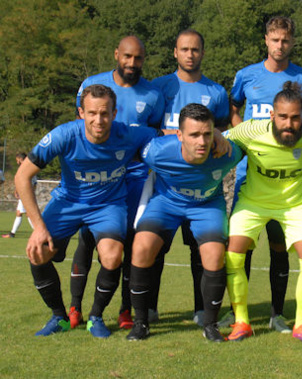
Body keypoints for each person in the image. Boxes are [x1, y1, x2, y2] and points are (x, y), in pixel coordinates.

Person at [15, 84, 157, 338]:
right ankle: (58, 316)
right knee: (38, 252)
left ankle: (96, 317)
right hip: (68, 202)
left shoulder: (130, 135)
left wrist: (215, 134)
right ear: (81, 112)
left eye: (104, 113)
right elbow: (22, 176)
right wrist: (38, 228)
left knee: (112, 256)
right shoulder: (64, 135)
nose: (98, 120)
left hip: (108, 205)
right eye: (92, 113)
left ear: (115, 113)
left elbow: (172, 134)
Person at [225, 16, 302, 333]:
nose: (280, 45)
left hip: (290, 179)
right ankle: (237, 313)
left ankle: (277, 313)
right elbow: (232, 108)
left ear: (292, 42)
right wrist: (242, 136)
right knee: (243, 246)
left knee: (281, 246)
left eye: (285, 40)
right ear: (266, 40)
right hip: (249, 173)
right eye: (274, 39)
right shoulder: (246, 75)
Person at [224, 81, 302, 344]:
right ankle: (241, 321)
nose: (289, 124)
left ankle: (301, 325)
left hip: (294, 206)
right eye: (283, 117)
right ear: (272, 116)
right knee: (232, 254)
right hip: (252, 202)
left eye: (296, 118)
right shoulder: (250, 130)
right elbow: (219, 144)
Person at [69, 35, 164, 331]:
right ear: (116, 55)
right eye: (127, 56)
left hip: (135, 179)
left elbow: (155, 135)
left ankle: (125, 310)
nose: (132, 63)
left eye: (138, 58)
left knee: (130, 243)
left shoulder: (153, 94)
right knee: (86, 241)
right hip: (98, 179)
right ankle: (75, 307)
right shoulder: (92, 84)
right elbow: (79, 125)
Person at [126, 103, 241, 341]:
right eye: (194, 135)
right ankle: (141, 323)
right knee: (141, 247)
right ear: (179, 135)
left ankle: (210, 325)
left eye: (207, 134)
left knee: (214, 254)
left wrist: (222, 135)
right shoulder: (157, 151)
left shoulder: (228, 152)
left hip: (207, 205)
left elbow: (252, 141)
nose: (202, 142)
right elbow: (130, 145)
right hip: (166, 203)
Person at [152, 29, 230, 326]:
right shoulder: (159, 88)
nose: (190, 54)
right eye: (184, 49)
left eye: (195, 49)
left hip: (203, 185)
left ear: (202, 53)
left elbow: (221, 133)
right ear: (175, 52)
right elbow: (150, 132)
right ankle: (149, 309)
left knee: (201, 250)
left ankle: (202, 310)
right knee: (156, 246)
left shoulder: (216, 92)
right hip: (164, 184)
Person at [3, 153, 36, 239]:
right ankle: (12, 233)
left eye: (18, 160)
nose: (17, 162)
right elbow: (33, 182)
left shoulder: (25, 168)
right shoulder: (30, 167)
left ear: (21, 159)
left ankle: (37, 231)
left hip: (25, 193)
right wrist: (17, 190)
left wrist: (22, 191)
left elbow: (25, 181)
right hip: (25, 193)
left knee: (24, 213)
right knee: (22, 213)